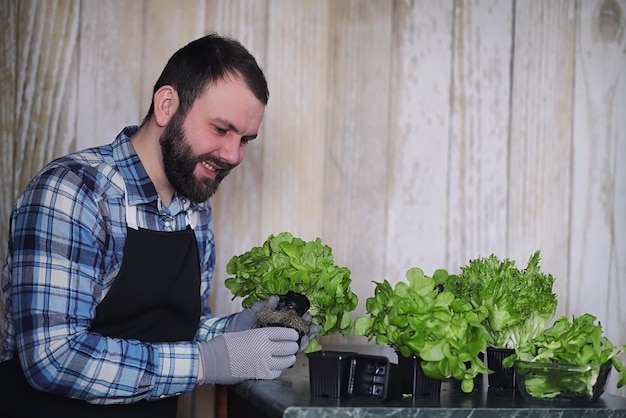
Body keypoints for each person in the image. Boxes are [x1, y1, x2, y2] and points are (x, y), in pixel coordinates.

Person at [0, 33, 318, 418]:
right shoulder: (74, 192)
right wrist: (210, 360)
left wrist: (240, 329)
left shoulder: (194, 207)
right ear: (167, 104)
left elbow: (175, 335)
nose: (234, 155)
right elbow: (54, 359)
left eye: (246, 139)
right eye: (221, 129)